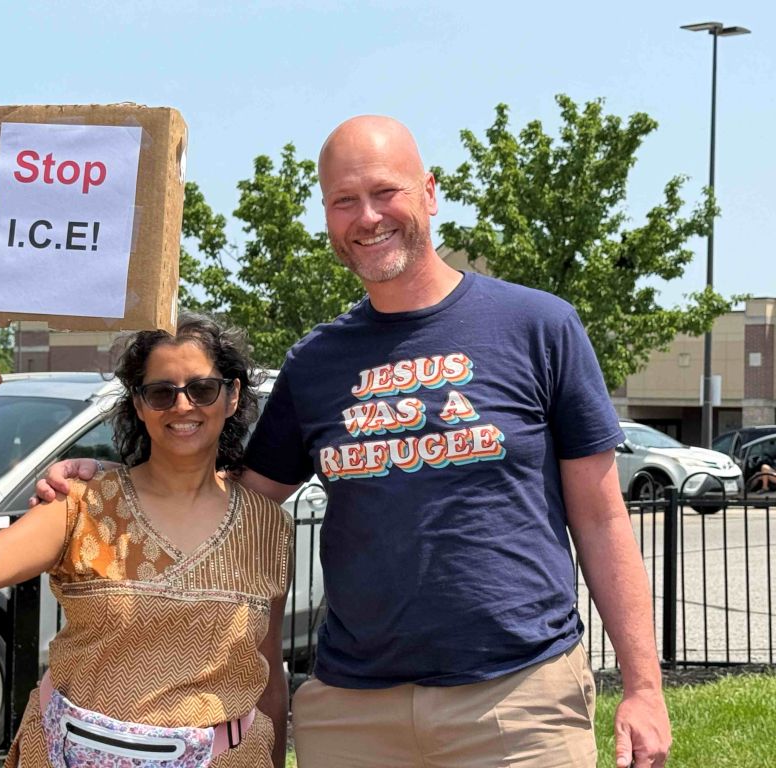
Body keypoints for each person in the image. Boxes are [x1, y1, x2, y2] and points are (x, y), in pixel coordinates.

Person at [36, 116, 671, 768]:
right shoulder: (318, 362)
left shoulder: (539, 327)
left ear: (429, 191)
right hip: (352, 711)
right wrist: (118, 481)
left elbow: (600, 516)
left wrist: (644, 688)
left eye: (385, 192)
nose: (366, 217)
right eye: (344, 201)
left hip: (516, 699)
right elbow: (239, 501)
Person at [0, 315, 293, 768]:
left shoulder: (268, 527)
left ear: (232, 395)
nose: (183, 406)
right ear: (139, 405)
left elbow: (269, 678)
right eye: (161, 393)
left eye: (201, 389)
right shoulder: (79, 503)